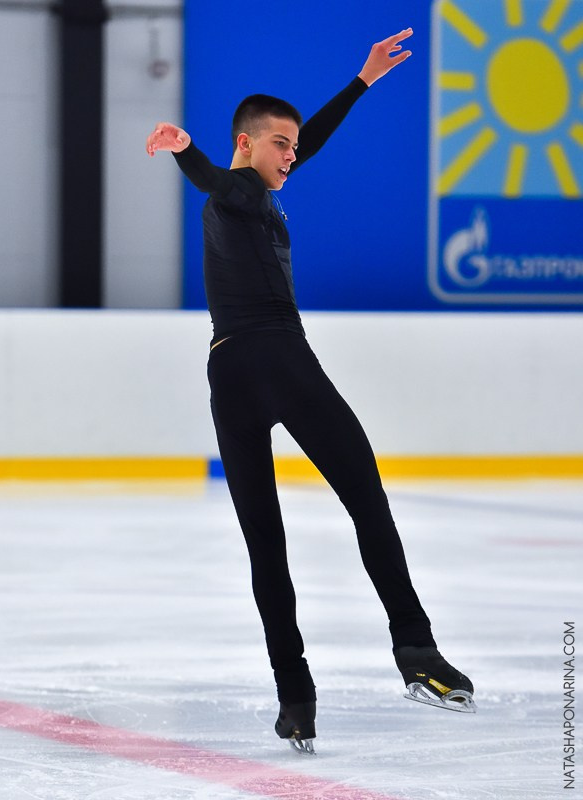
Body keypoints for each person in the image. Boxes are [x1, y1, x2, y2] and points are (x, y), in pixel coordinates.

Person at [146, 28, 475, 754]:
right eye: (280, 145)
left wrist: (361, 81)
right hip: (279, 361)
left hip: (228, 374)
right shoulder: (231, 193)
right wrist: (183, 150)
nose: (292, 156)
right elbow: (216, 178)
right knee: (363, 498)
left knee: (269, 545)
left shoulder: (256, 194)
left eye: (294, 146)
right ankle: (413, 649)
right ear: (244, 143)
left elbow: (305, 145)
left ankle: (296, 700)